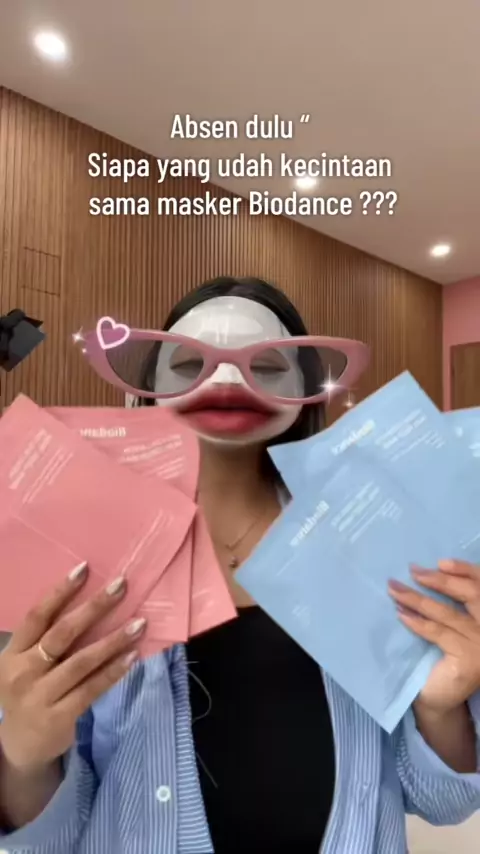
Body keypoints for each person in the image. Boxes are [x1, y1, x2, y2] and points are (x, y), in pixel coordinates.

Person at [1, 276, 480, 854]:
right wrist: (24, 757)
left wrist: (440, 708)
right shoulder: (86, 550)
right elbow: (49, 839)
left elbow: (442, 803)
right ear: (147, 384)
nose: (226, 381)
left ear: (306, 387)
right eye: (190, 364)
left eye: (266, 366)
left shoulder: (362, 536)